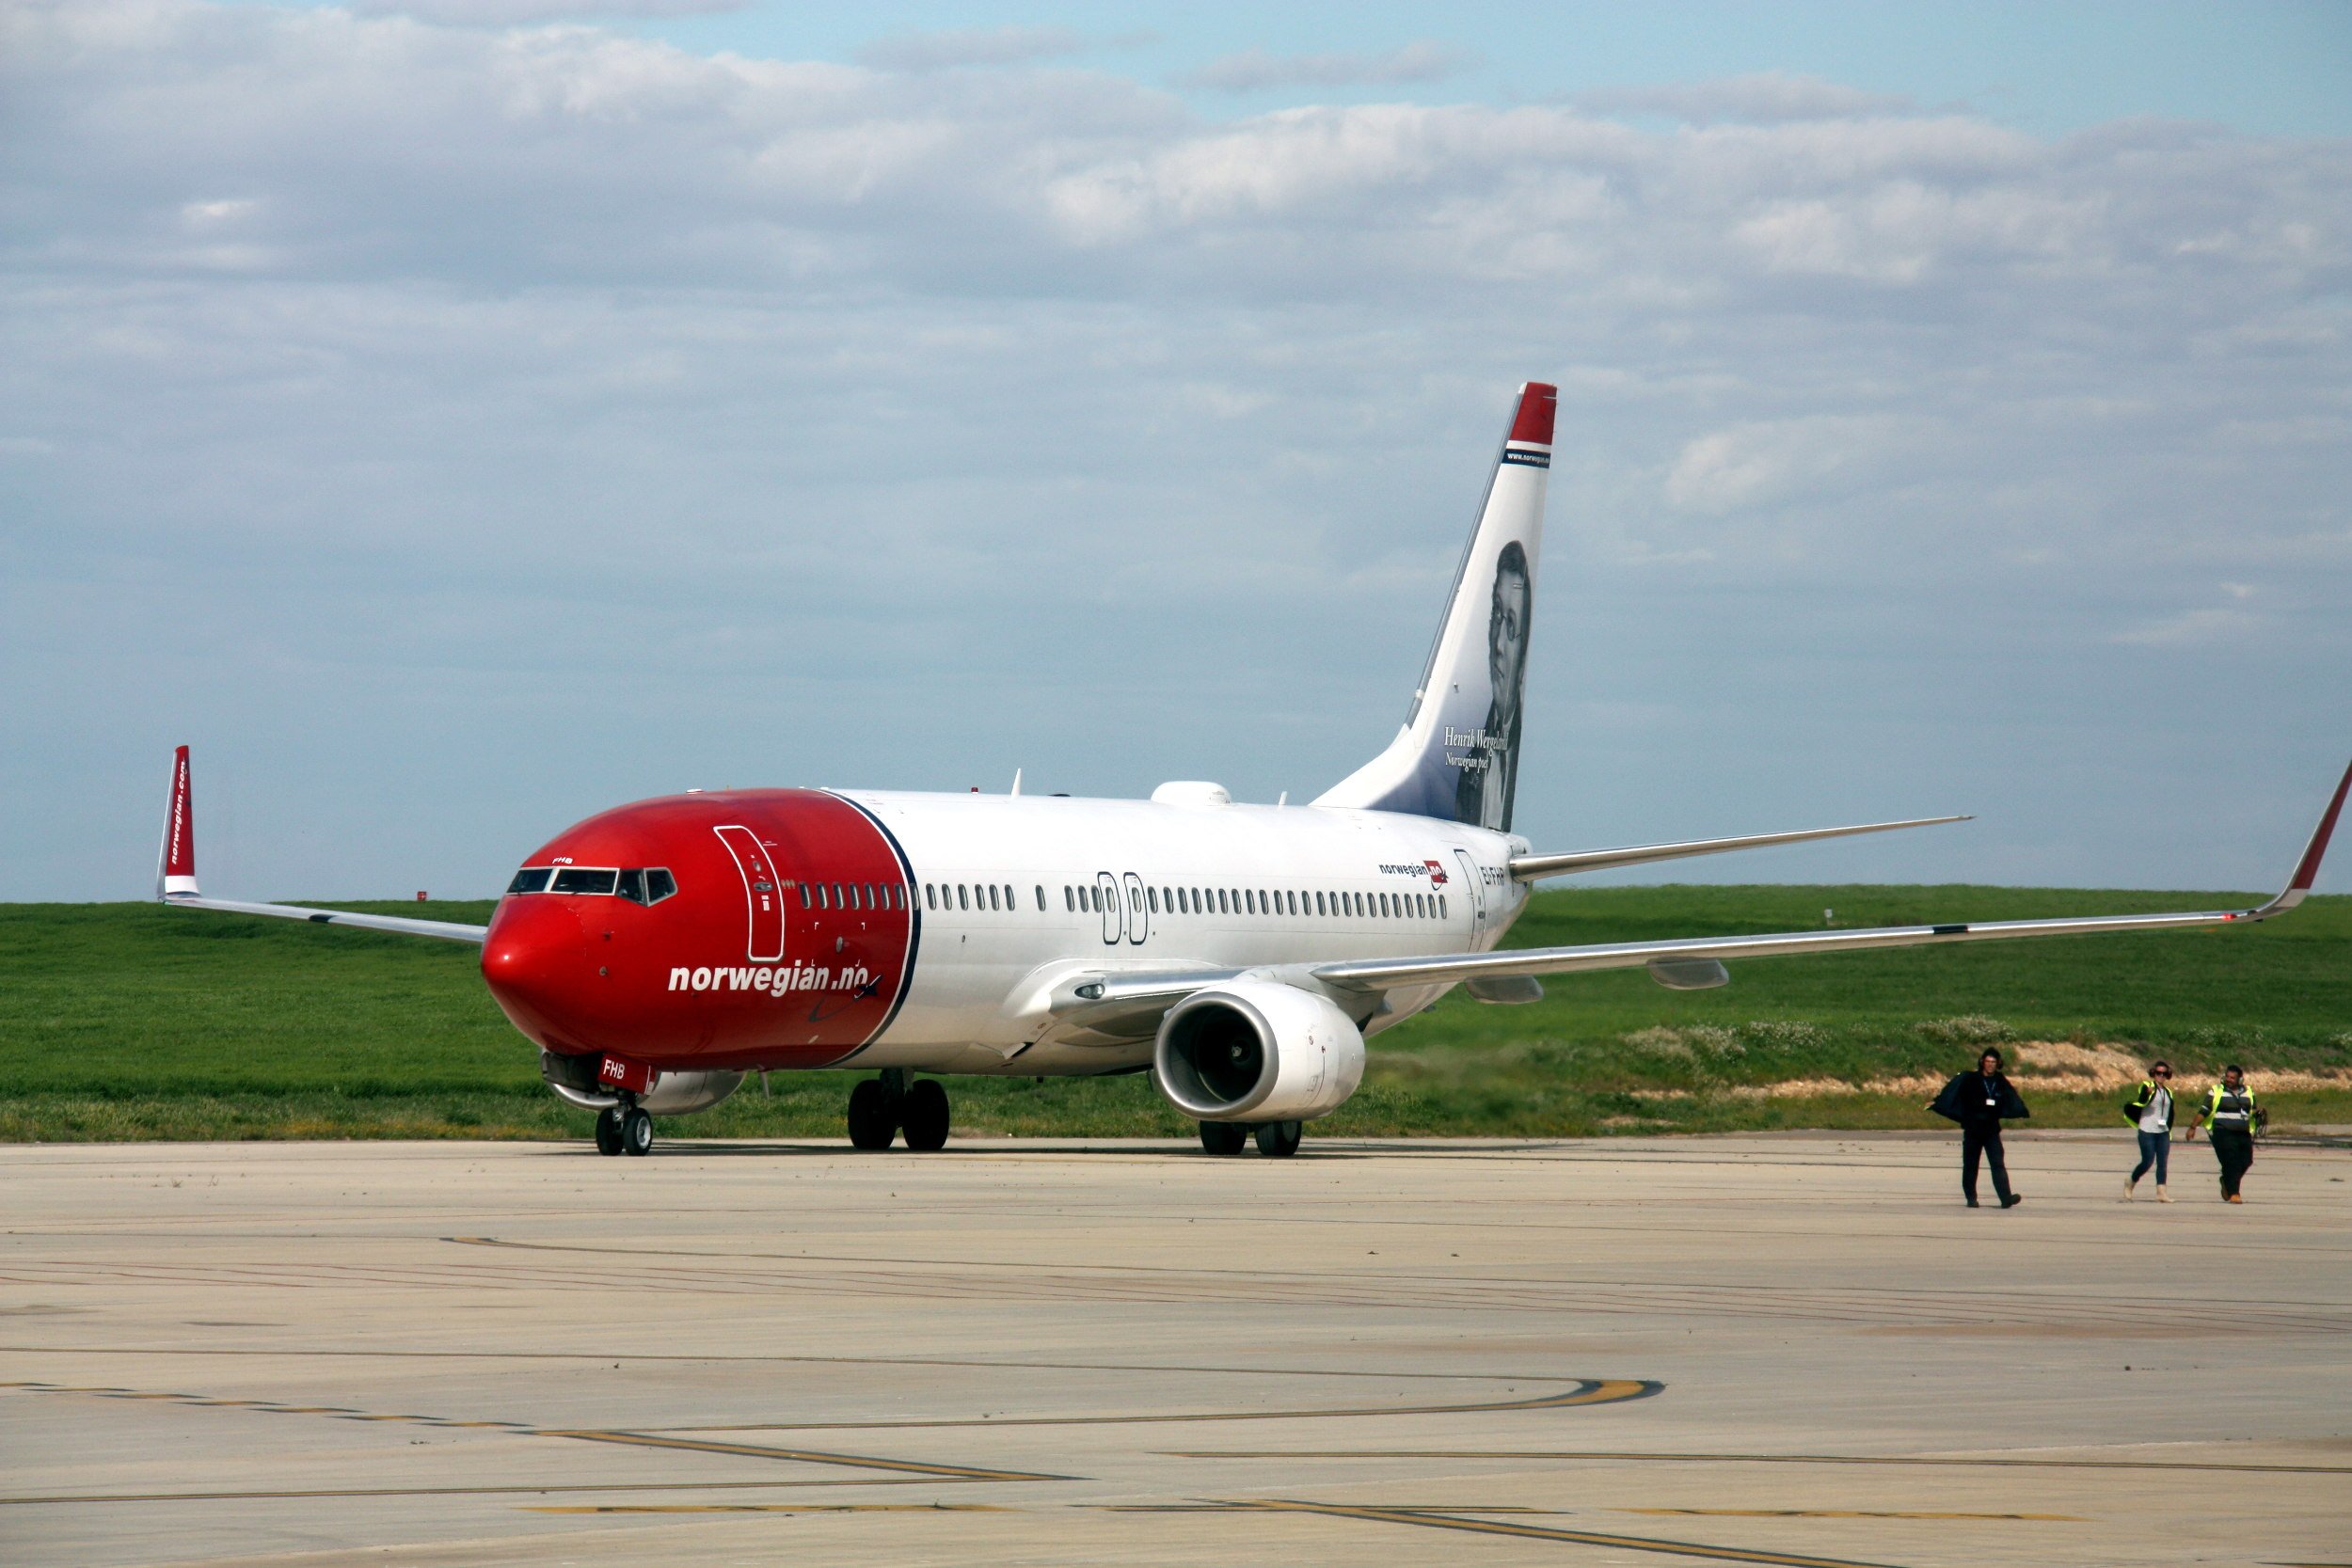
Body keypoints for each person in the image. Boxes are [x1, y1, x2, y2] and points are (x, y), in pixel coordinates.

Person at [1930, 1048, 2028, 1208]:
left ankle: (2005, 1198)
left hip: (1991, 1131)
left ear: (1998, 1064)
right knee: (1971, 1165)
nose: (1990, 1065)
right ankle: (1971, 1198)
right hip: (1973, 1130)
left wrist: (2019, 1111)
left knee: (1997, 1163)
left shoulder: (2000, 1080)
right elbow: (1961, 1099)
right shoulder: (1971, 1079)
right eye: (1988, 1062)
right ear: (1982, 1062)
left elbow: (2009, 1099)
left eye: (1993, 1062)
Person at [2185, 1065, 2260, 1203]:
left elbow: (2253, 1111)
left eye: (2232, 1078)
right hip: (2222, 1131)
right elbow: (2204, 1110)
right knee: (2230, 1161)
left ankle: (2226, 1181)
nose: (2229, 1080)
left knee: (2246, 1160)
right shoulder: (2216, 1091)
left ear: (2240, 1079)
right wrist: (2193, 1127)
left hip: (2243, 1132)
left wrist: (2258, 1115)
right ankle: (2234, 1193)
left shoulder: (2249, 1092)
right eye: (2227, 1077)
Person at [2122, 1060, 2175, 1202]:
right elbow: (2141, 1100)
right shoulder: (2147, 1086)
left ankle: (2161, 1192)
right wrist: (2147, 1094)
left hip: (2162, 1131)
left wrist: (2169, 1128)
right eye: (2158, 1073)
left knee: (2163, 1162)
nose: (2161, 1076)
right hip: (2147, 1130)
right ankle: (2131, 1181)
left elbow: (2171, 1113)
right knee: (2148, 1161)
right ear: (2153, 1073)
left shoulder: (2168, 1092)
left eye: (2164, 1074)